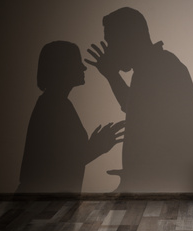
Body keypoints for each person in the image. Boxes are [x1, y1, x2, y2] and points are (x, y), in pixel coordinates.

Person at [85, 8, 193, 192]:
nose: (109, 50)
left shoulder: (160, 68)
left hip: (165, 190)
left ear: (128, 40)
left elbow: (156, 133)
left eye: (112, 43)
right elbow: (135, 108)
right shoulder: (155, 66)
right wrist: (111, 75)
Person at [16, 41, 124, 193]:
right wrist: (97, 146)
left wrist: (95, 146)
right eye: (77, 62)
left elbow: (63, 159)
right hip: (44, 201)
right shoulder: (54, 105)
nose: (83, 67)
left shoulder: (55, 102)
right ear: (63, 68)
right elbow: (58, 165)